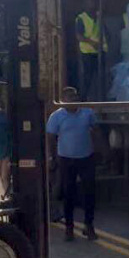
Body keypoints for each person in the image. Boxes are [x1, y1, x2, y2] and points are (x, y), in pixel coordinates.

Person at [46, 87, 98, 241]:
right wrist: (52, 157)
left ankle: (89, 225)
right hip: (66, 159)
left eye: (75, 96)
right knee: (69, 193)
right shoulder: (56, 116)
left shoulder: (88, 113)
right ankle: (69, 228)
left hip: (86, 157)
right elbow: (50, 138)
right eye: (70, 97)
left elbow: (96, 131)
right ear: (63, 100)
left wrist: (102, 150)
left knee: (89, 192)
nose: (74, 100)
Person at [75, 0, 107, 101]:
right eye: (89, 3)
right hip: (87, 52)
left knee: (100, 76)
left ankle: (101, 98)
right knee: (87, 77)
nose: (92, 6)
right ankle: (83, 98)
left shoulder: (98, 17)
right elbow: (79, 36)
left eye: (93, 3)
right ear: (85, 5)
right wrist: (93, 43)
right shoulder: (81, 18)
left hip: (99, 51)